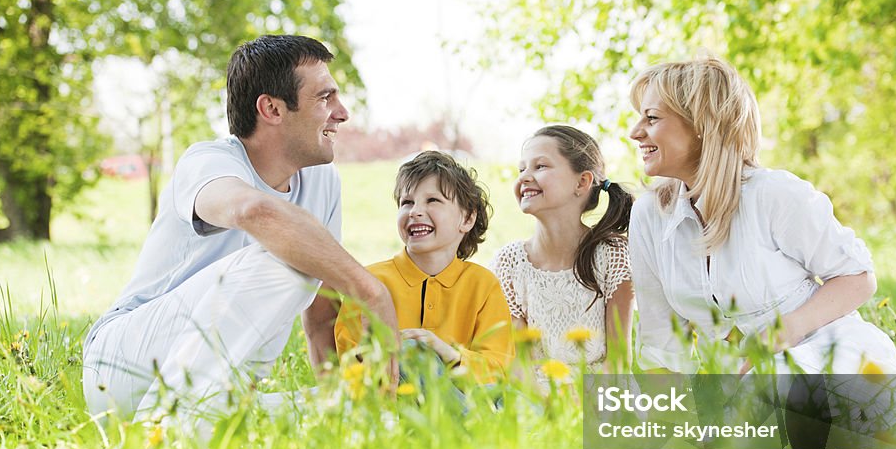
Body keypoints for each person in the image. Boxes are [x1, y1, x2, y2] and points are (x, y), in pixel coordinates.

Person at [82, 35, 399, 421]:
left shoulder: (322, 182)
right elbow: (253, 211)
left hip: (219, 391)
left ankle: (187, 423)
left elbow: (321, 313)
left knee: (349, 408)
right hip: (123, 367)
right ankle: (165, 437)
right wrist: (370, 291)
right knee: (287, 254)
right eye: (324, 98)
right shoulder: (208, 162)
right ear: (271, 108)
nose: (342, 112)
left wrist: (340, 388)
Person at [627, 56, 896, 442]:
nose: (635, 132)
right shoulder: (648, 217)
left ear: (701, 125)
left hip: (828, 359)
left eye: (652, 118)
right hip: (736, 384)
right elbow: (660, 341)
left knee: (784, 383)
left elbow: (857, 277)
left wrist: (777, 336)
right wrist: (670, 428)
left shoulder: (774, 194)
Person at [334, 151, 514, 383]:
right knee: (408, 351)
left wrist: (447, 353)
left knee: (521, 401)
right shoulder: (369, 281)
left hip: (465, 399)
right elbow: (350, 364)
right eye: (406, 202)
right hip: (393, 400)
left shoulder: (483, 284)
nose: (415, 211)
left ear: (467, 219)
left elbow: (497, 369)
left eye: (433, 200)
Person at [492, 125, 634, 375]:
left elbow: (618, 362)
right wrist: (549, 403)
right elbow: (518, 365)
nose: (524, 176)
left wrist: (579, 405)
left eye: (540, 166)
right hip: (538, 400)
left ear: (582, 182)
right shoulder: (510, 262)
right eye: (522, 168)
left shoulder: (613, 255)